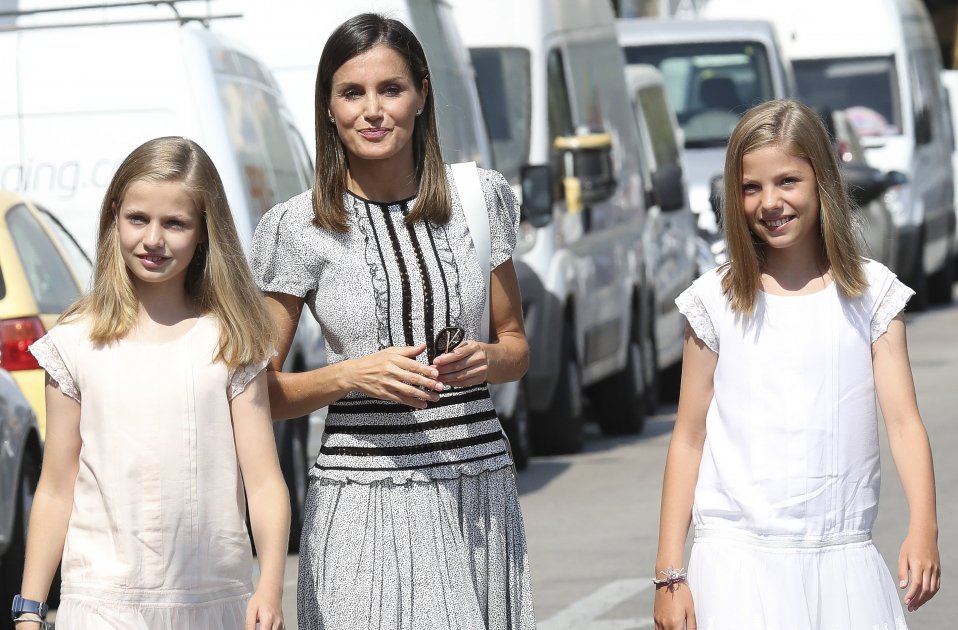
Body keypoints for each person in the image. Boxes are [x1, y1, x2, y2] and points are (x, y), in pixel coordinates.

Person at [249, 13, 535, 630]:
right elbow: (258, 395)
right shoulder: (296, 227)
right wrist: (353, 376)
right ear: (328, 106)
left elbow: (517, 349)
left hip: (476, 493)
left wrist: (487, 358)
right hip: (360, 504)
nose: (372, 111)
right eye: (352, 93)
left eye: (391, 89)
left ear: (423, 94)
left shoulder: (479, 201)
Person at [653, 99, 941, 630]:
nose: (770, 202)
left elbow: (903, 423)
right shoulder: (714, 302)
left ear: (822, 181)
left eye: (788, 181)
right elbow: (688, 437)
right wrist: (670, 574)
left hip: (842, 562)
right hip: (736, 565)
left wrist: (924, 526)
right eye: (750, 187)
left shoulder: (871, 296)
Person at [15, 137, 290, 630]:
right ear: (114, 215)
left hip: (213, 601)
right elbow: (55, 489)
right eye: (138, 219)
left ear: (206, 230)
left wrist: (269, 587)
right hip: (100, 602)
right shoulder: (75, 342)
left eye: (176, 223)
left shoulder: (232, 340)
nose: (153, 240)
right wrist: (30, 610)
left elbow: (265, 481)